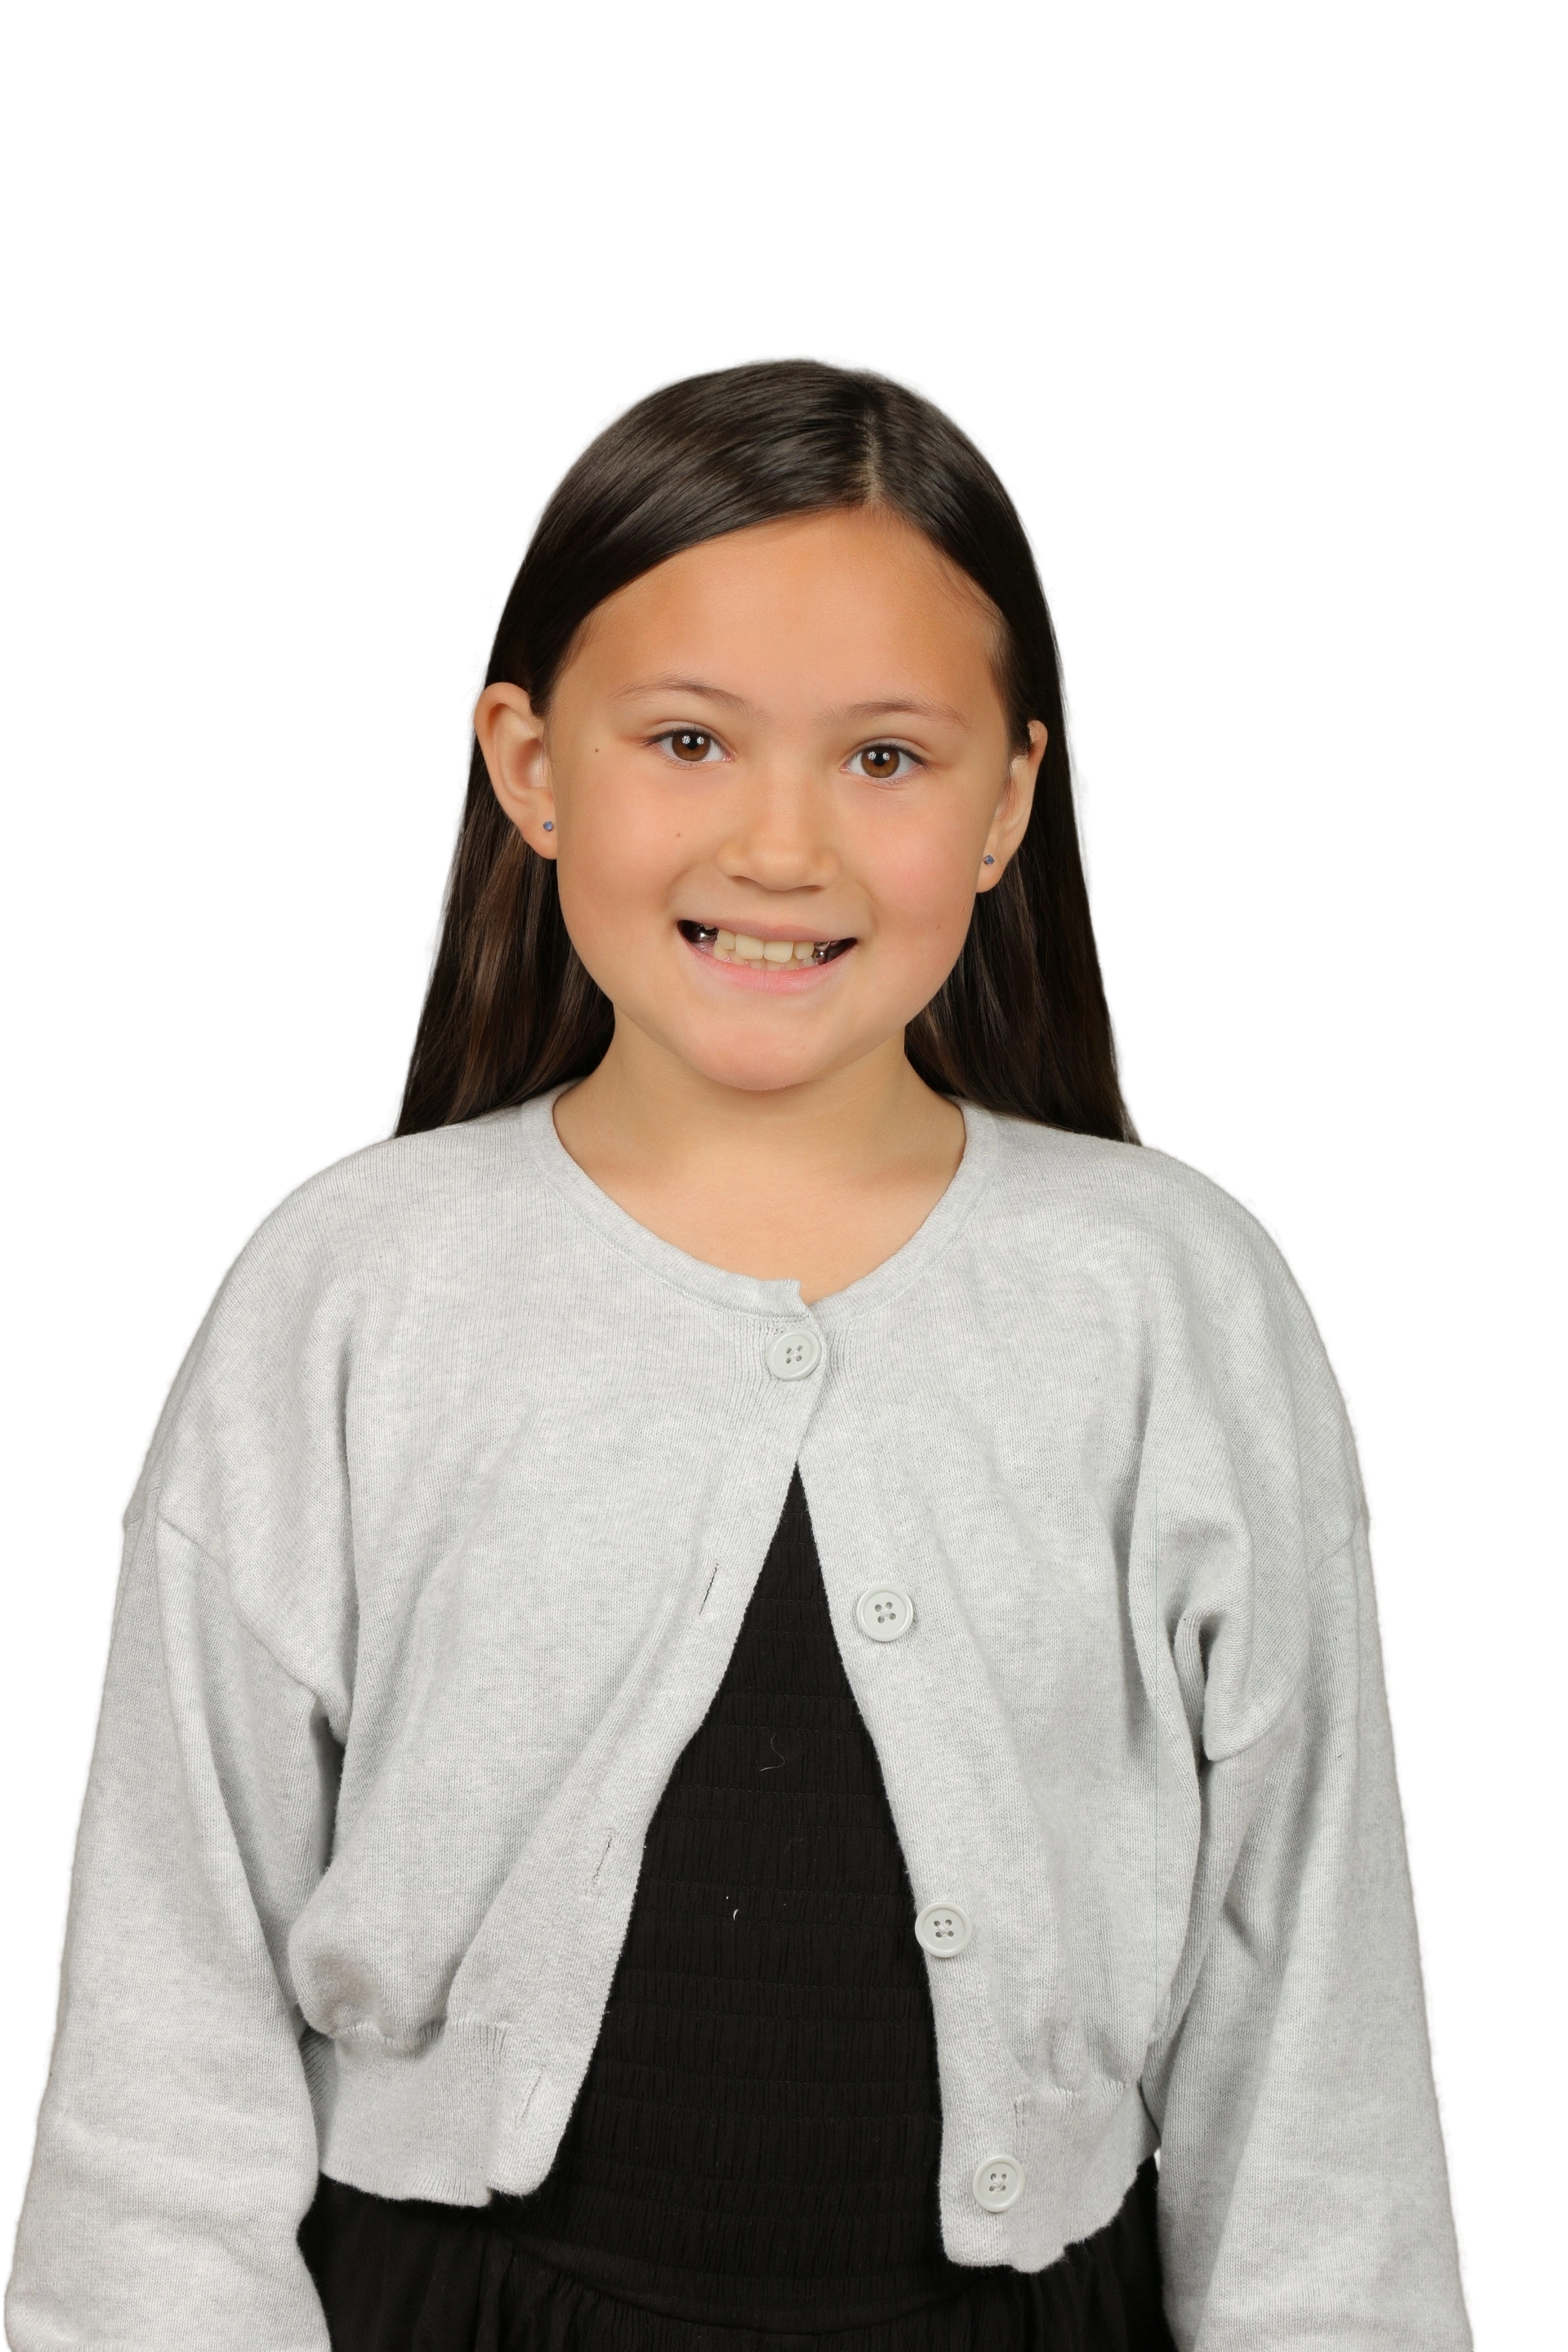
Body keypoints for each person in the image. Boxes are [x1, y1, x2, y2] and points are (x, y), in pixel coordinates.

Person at [3, 351, 1476, 2352]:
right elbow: (172, 2016)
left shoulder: (1173, 1297)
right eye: (689, 739)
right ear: (531, 762)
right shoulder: (356, 1284)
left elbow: (1306, 2010)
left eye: (886, 758)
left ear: (1007, 802)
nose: (783, 848)